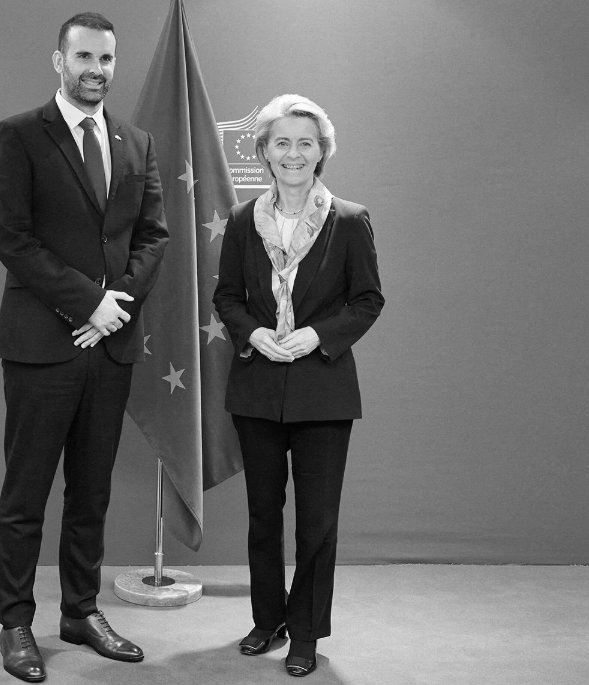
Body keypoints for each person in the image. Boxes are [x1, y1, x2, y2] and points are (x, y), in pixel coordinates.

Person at [0, 11, 168, 683]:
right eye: (83, 57)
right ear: (58, 61)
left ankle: (81, 611)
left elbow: (154, 235)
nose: (96, 69)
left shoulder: (135, 141)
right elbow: (13, 238)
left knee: (91, 492)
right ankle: (16, 623)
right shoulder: (19, 136)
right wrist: (86, 301)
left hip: (110, 346)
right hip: (41, 345)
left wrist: (114, 305)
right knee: (26, 492)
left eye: (106, 59)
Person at [212, 94, 384, 677]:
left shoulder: (351, 220)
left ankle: (306, 630)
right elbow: (227, 298)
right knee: (264, 514)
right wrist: (254, 334)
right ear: (262, 151)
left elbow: (368, 301)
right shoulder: (241, 220)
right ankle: (268, 619)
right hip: (257, 387)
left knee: (317, 521)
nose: (293, 153)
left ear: (322, 152)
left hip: (322, 390)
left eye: (305, 143)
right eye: (281, 142)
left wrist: (317, 336)